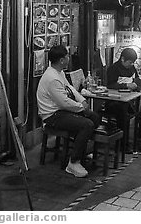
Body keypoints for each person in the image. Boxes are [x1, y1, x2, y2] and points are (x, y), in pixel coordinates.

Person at [37, 45, 101, 178]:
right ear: (61, 60)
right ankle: (73, 162)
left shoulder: (58, 72)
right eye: (66, 56)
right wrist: (81, 107)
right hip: (52, 115)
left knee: (94, 117)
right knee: (87, 124)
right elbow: (64, 102)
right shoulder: (52, 78)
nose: (68, 58)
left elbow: (70, 88)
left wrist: (82, 100)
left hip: (61, 111)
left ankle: (80, 150)